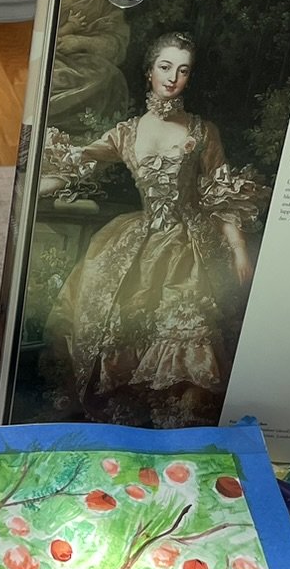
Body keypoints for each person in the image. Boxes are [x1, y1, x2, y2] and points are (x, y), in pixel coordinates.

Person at [37, 30, 266, 427]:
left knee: (187, 329)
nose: (173, 77)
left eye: (183, 70)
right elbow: (79, 163)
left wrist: (238, 249)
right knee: (112, 309)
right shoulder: (126, 133)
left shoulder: (202, 131)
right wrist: (29, 193)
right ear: (149, 73)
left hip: (190, 246)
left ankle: (177, 420)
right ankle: (130, 414)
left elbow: (222, 193)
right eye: (165, 67)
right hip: (138, 241)